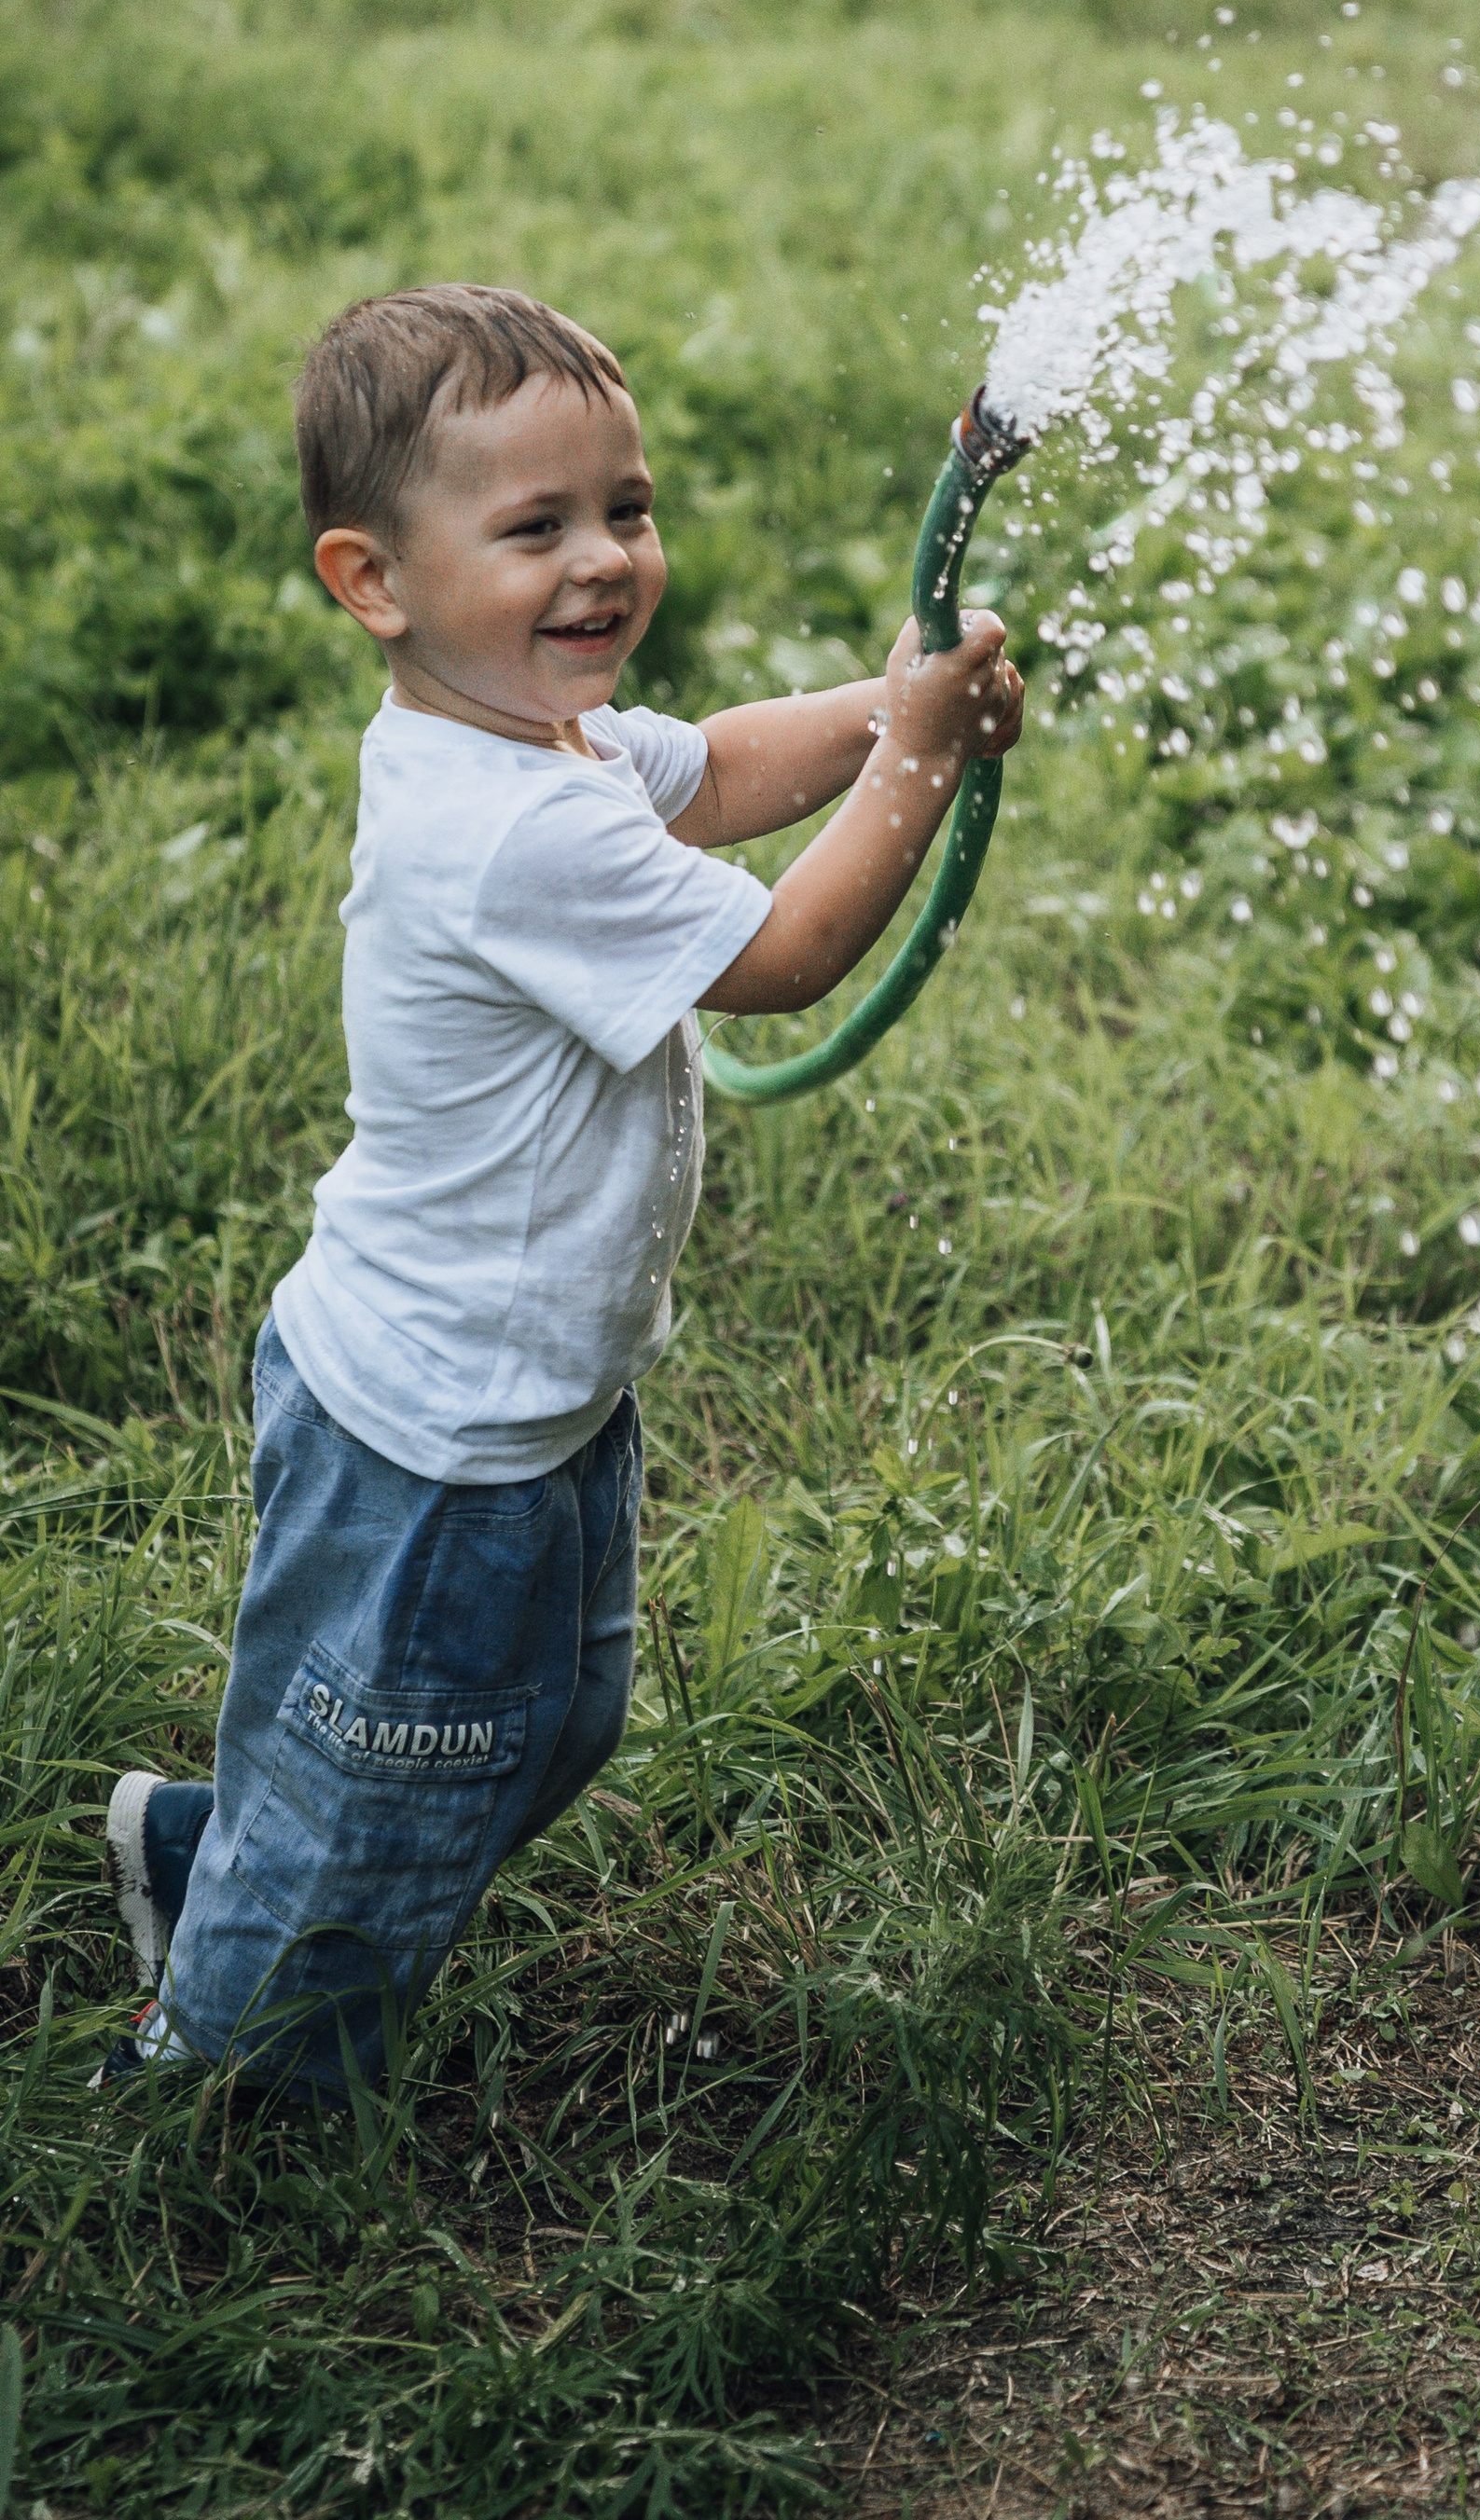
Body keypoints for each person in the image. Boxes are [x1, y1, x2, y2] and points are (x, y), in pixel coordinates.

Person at [102, 284, 1022, 2095]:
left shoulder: (540, 741)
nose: (604, 559)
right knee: (406, 1779)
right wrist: (916, 759)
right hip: (436, 1440)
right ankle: (221, 2088)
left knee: (537, 1731)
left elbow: (728, 764)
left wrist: (879, 710)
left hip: (523, 1402)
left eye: (626, 508)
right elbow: (779, 960)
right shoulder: (512, 826)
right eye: (536, 528)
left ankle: (218, 1856)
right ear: (374, 580)